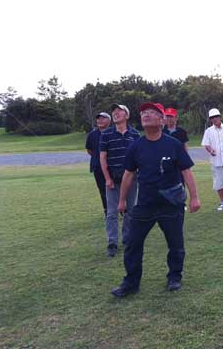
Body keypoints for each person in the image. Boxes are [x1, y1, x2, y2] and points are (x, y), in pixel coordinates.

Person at [111, 102, 201, 297]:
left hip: (171, 204)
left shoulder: (174, 145)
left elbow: (186, 171)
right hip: (145, 204)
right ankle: (131, 283)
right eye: (143, 113)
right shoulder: (136, 146)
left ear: (162, 120)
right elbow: (128, 175)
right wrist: (122, 200)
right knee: (133, 244)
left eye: (152, 113)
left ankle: (174, 277)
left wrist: (194, 197)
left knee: (175, 244)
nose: (146, 115)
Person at [100, 103, 140, 257]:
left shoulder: (135, 134)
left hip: (131, 180)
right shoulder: (106, 135)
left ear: (127, 115)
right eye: (114, 111)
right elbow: (103, 158)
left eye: (119, 111)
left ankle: (127, 239)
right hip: (113, 181)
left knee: (130, 211)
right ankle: (112, 242)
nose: (115, 113)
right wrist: (107, 178)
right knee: (111, 213)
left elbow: (138, 157)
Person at [85, 112, 111, 217]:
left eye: (103, 118)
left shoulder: (113, 133)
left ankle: (122, 208)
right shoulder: (92, 134)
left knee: (115, 189)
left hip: (112, 167)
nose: (100, 120)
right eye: (98, 119)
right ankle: (107, 211)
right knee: (102, 190)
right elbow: (89, 150)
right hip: (98, 167)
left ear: (109, 121)